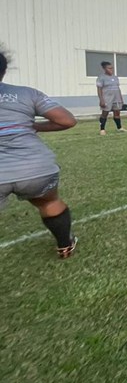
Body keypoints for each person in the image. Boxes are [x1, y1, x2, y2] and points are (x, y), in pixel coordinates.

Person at [0, 48, 79, 258]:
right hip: (34, 167)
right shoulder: (26, 94)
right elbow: (67, 120)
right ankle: (65, 246)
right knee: (49, 202)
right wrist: (32, 126)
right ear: (4, 70)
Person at [96, 61, 126, 135]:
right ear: (104, 69)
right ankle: (102, 129)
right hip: (107, 98)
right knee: (105, 114)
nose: (111, 70)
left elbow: (118, 88)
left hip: (117, 98)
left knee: (117, 113)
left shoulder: (115, 77)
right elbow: (99, 90)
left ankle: (119, 128)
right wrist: (101, 100)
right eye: (109, 68)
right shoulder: (101, 78)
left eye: (112, 68)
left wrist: (121, 98)